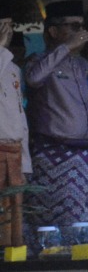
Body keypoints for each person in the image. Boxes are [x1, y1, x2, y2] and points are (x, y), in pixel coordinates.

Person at [25, 0, 88, 228]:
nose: (81, 32)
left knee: (81, 222)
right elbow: (33, 79)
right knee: (50, 225)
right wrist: (66, 47)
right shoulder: (38, 60)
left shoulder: (84, 65)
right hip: (52, 155)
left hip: (83, 156)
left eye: (82, 26)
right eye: (73, 26)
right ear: (54, 31)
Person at [0, 18, 29, 250]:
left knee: (14, 221)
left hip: (14, 152)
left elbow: (21, 118)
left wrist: (25, 164)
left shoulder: (13, 69)